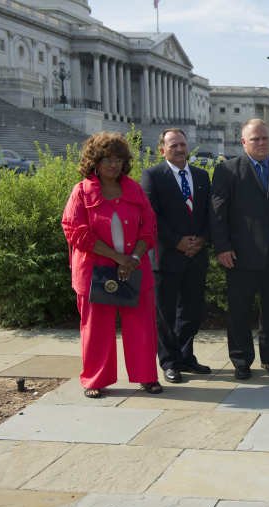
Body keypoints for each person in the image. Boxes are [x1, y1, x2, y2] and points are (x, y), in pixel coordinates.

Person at [62, 132, 161, 398]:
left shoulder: (134, 189)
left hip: (135, 269)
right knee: (96, 330)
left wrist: (135, 259)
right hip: (96, 271)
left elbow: (149, 226)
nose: (114, 164)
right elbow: (76, 231)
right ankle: (95, 379)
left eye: (118, 159)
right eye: (107, 159)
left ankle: (147, 377)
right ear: (94, 161)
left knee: (142, 327)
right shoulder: (81, 191)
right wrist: (120, 259)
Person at [209, 119, 269, 380]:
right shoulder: (227, 171)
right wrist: (222, 247)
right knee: (239, 311)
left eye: (265, 138)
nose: (261, 143)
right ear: (244, 143)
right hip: (240, 256)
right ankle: (241, 361)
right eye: (255, 139)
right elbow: (217, 215)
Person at [141, 128, 212, 384]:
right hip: (166, 256)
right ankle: (169, 362)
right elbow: (151, 215)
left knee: (191, 312)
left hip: (196, 255)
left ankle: (185, 356)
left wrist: (202, 239)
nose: (180, 149)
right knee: (165, 314)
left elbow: (209, 214)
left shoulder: (202, 176)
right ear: (162, 150)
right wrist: (177, 242)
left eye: (183, 144)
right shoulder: (152, 176)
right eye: (174, 146)